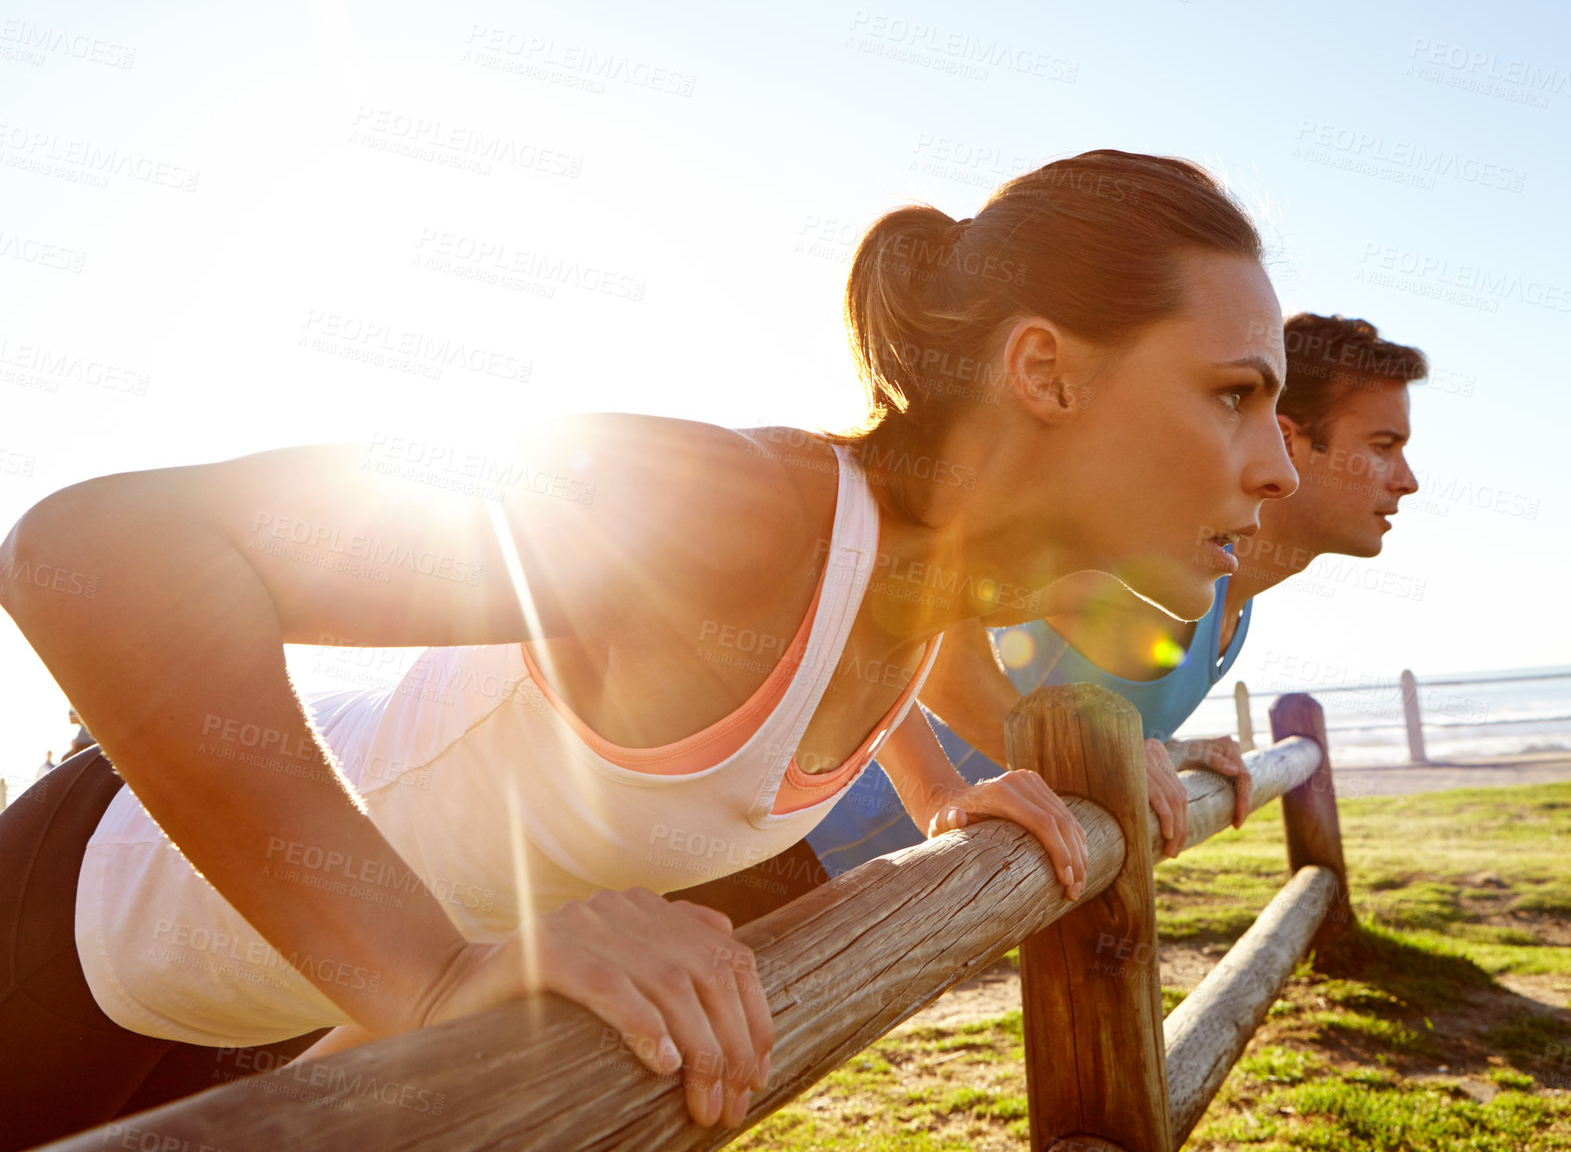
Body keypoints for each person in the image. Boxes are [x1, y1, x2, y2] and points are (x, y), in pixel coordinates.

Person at [0, 149, 1297, 1146]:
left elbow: (915, 665)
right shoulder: (733, 509)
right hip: (78, 921)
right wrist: (431, 972)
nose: (1274, 463)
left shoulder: (921, 577)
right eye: (1232, 392)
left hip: (256, 1002)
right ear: (1045, 373)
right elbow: (103, 550)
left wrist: (961, 792)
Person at [800, 313, 1425, 880]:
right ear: (1290, 443)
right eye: (1382, 447)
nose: (1408, 480)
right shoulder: (1145, 569)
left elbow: (1088, 721)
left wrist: (1166, 752)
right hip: (798, 851)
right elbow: (910, 605)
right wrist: (938, 790)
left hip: (905, 888)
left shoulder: (1225, 594)